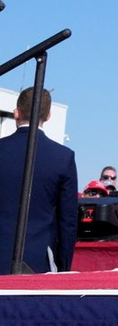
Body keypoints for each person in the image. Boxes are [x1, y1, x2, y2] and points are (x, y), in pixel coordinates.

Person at [0, 87, 78, 272]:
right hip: (37, 260)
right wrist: (64, 266)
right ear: (48, 116)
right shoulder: (62, 157)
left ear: (16, 113)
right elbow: (67, 220)